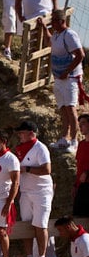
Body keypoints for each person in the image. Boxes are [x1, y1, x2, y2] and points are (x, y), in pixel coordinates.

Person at [14, 120, 53, 257]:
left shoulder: (40, 148)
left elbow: (47, 169)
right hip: (26, 191)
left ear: (31, 133)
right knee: (26, 224)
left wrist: (28, 169)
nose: (19, 136)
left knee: (40, 224)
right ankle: (30, 256)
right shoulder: (20, 149)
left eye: (22, 133)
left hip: (41, 191)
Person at [42, 9, 83, 151]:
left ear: (61, 21)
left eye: (54, 21)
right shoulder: (56, 34)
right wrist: (43, 27)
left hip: (70, 77)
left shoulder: (70, 35)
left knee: (71, 108)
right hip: (59, 78)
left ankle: (74, 141)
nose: (52, 23)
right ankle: (64, 138)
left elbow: (80, 55)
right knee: (63, 108)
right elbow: (49, 42)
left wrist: (67, 71)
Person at [74, 113, 89, 216]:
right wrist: (75, 185)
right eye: (79, 124)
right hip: (81, 187)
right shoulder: (81, 144)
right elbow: (79, 166)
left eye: (83, 123)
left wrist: (88, 172)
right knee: (80, 217)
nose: (80, 127)